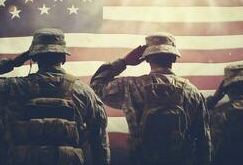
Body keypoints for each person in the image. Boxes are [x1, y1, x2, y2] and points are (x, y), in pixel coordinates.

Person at [0, 28, 110, 165]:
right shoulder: (84, 92)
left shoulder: (17, 87)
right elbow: (99, 141)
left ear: (34, 58)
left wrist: (13, 62)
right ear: (63, 57)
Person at [90, 33, 211, 165]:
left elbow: (96, 87)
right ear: (174, 58)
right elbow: (203, 140)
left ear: (146, 59)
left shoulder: (130, 86)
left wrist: (124, 62)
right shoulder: (192, 92)